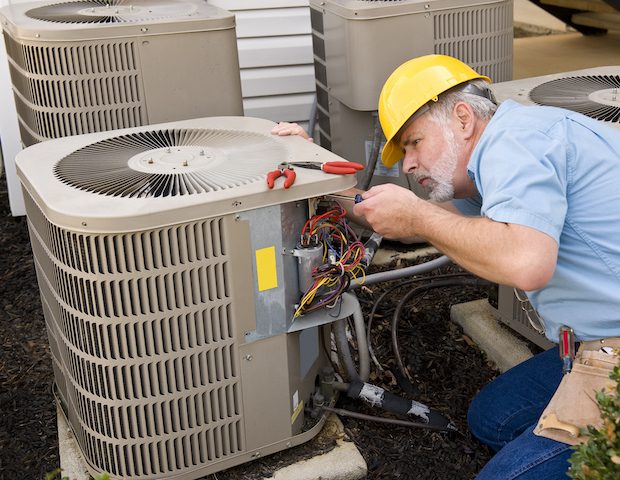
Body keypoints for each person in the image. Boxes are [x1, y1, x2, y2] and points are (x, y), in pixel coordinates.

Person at [273, 54, 620, 479]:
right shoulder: (498, 154)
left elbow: (525, 262)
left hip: (612, 350)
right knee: (493, 418)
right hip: (593, 339)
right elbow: (433, 226)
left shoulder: (518, 143)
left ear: (461, 118)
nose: (407, 165)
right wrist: (320, 175)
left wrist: (419, 215)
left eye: (414, 142)